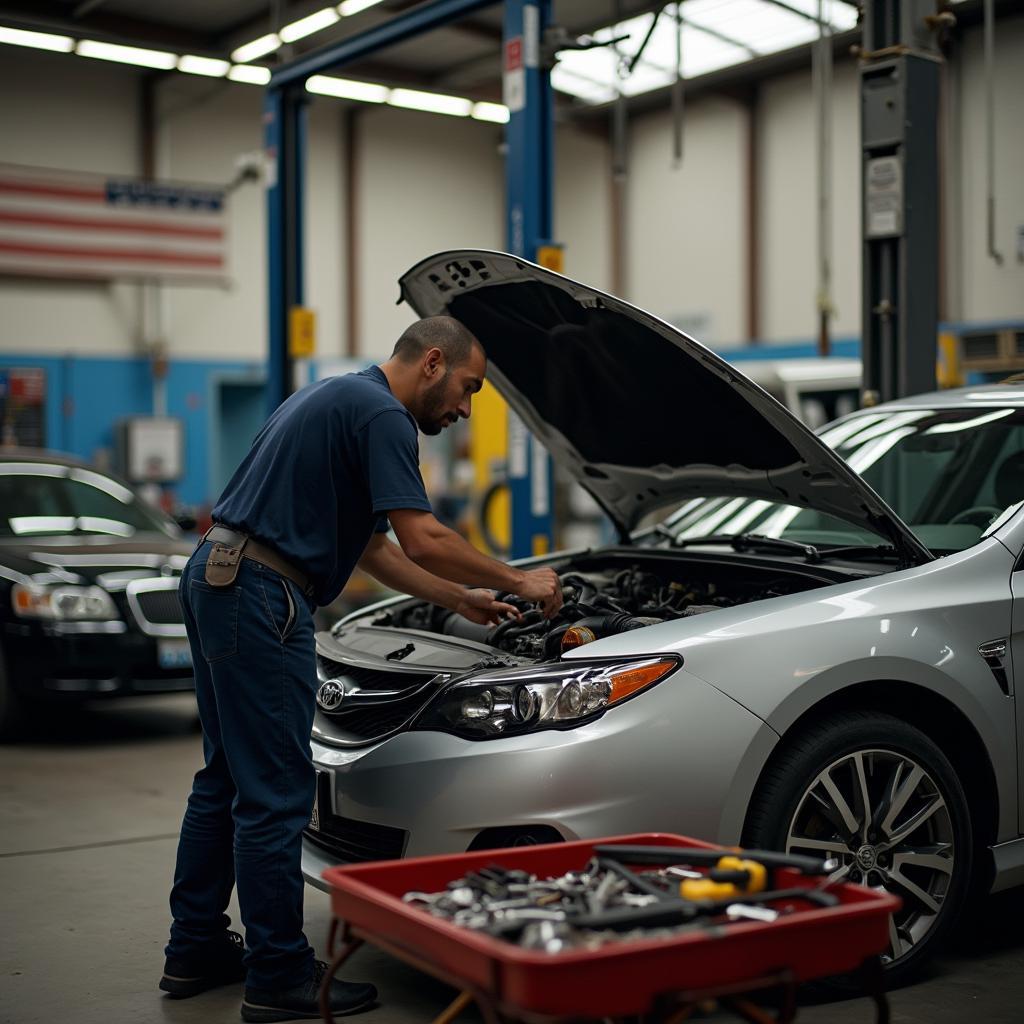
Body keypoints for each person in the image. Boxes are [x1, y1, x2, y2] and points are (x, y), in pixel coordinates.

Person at [160, 316, 563, 1022]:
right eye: (469, 388)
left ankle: (195, 946)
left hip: (217, 576)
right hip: (260, 594)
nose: (466, 407)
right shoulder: (384, 415)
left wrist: (463, 597)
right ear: (433, 363)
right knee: (276, 790)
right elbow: (425, 536)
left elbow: (378, 552)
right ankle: (278, 973)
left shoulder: (336, 398)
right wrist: (520, 581)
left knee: (226, 776)